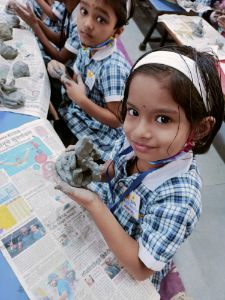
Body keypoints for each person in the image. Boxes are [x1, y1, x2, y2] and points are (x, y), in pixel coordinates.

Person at [55, 45, 225, 291]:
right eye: (133, 111)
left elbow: (140, 268)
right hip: (99, 229)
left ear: (199, 129)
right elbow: (113, 170)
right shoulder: (133, 141)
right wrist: (90, 167)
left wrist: (93, 203)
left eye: (163, 119)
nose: (138, 131)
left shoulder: (180, 197)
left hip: (125, 263)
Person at [47, 0, 135, 158]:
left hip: (95, 135)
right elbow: (77, 77)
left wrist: (81, 100)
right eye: (84, 11)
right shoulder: (87, 43)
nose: (87, 24)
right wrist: (60, 70)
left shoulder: (113, 68)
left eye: (101, 19)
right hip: (76, 113)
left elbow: (116, 120)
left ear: (118, 31)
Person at [12, 0, 80, 64]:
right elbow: (61, 40)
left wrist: (34, 25)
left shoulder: (80, 21)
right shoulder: (68, 6)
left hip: (69, 67)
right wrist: (35, 20)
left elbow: (60, 58)